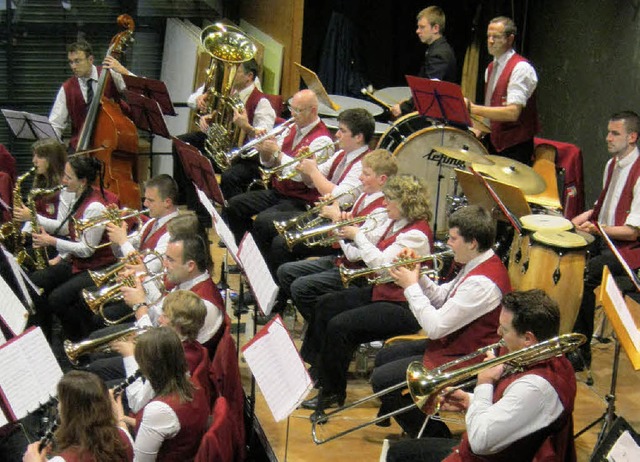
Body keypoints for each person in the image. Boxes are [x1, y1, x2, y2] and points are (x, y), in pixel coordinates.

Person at [369, 205, 511, 438]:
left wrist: (410, 286)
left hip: (469, 357)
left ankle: (435, 440)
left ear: (472, 243)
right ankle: (414, 419)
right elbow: (442, 298)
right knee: (387, 355)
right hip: (455, 344)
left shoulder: (482, 284)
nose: (449, 244)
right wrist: (418, 274)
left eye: (453, 238)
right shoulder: (476, 264)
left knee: (384, 381)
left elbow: (434, 328)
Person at [386, 290, 577, 462]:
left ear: (528, 339)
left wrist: (484, 383)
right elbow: (515, 411)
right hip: (494, 451)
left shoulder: (535, 387)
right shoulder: (552, 358)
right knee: (402, 451)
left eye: (505, 329)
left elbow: (479, 442)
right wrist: (470, 400)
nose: (498, 332)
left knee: (398, 455)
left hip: (487, 456)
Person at [299, 174, 433, 416]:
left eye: (389, 200)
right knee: (325, 305)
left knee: (340, 326)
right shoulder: (395, 221)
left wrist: (356, 235)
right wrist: (346, 229)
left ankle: (332, 392)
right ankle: (316, 369)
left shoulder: (417, 235)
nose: (384, 204)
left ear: (405, 202)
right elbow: (359, 254)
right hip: (382, 292)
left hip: (403, 306)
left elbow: (382, 266)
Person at [277, 149, 395, 320]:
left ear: (382, 179)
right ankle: (317, 320)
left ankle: (321, 326)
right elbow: (347, 230)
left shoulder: (382, 210)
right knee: (285, 271)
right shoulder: (364, 194)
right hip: (342, 260)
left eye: (366, 174)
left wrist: (335, 219)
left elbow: (355, 255)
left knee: (300, 287)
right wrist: (333, 210)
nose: (360, 177)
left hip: (356, 271)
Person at [262, 107, 375, 274]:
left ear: (358, 137)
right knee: (264, 224)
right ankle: (267, 281)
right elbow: (310, 182)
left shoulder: (363, 164)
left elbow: (340, 198)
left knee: (281, 243)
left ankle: (280, 293)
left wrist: (313, 171)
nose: (336, 135)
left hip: (338, 227)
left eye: (342, 131)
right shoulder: (341, 155)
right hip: (322, 214)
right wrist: (306, 166)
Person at [570, 110, 640, 370]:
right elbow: (600, 207)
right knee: (566, 259)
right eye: (608, 132)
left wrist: (599, 229)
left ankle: (581, 351)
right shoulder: (612, 165)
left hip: (627, 250)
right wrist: (571, 223)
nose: (607, 138)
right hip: (604, 238)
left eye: (615, 133)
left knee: (584, 276)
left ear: (632, 137)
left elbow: (633, 231)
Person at [173, 59, 276, 227]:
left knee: (229, 176)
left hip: (247, 158)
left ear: (249, 76)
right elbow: (216, 116)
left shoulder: (262, 102)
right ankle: (195, 207)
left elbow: (265, 138)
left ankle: (229, 223)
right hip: (225, 149)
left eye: (237, 71)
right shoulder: (230, 93)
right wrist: (208, 118)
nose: (231, 75)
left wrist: (246, 126)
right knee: (183, 144)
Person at [224, 88, 333, 245]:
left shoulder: (322, 140)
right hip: (279, 191)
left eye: (298, 110)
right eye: (291, 109)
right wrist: (265, 151)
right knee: (234, 206)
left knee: (262, 221)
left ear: (313, 110)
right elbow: (270, 163)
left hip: (301, 200)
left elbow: (301, 176)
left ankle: (261, 261)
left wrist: (277, 153)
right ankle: (244, 249)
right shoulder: (291, 128)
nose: (293, 114)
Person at [29, 155, 117, 341]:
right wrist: (60, 256)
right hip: (78, 261)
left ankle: (79, 339)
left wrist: (51, 242)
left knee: (57, 299)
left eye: (68, 177)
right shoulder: (76, 196)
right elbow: (71, 232)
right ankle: (43, 336)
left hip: (96, 266)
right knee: (36, 281)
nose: (63, 180)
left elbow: (87, 249)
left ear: (83, 181)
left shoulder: (95, 207)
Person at [112, 327, 209, 461]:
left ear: (149, 368)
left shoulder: (159, 410)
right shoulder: (194, 383)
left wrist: (119, 423)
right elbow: (169, 427)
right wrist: (124, 417)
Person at [113, 289, 211, 413]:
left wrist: (129, 356)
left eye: (165, 316)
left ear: (179, 324)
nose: (159, 319)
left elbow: (136, 403)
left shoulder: (171, 358)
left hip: (145, 411)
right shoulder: (192, 347)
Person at [467, 16, 539, 165]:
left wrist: (473, 108)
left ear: (510, 39)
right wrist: (478, 131)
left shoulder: (521, 68)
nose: (491, 41)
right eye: (489, 36)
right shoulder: (491, 68)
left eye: (497, 37)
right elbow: (490, 110)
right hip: (494, 144)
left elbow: (512, 113)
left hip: (515, 147)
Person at [22, 370, 133, 462]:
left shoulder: (64, 459)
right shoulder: (124, 437)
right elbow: (120, 424)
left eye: (60, 401)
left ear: (71, 413)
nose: (58, 407)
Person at [49, 40, 132, 150]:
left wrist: (124, 72)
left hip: (111, 145)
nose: (73, 66)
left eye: (77, 61)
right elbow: (55, 125)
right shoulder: (67, 88)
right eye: (71, 62)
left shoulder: (109, 74)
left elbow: (138, 90)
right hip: (80, 147)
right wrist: (54, 150)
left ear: (91, 59)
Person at [391, 6, 457, 118]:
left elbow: (429, 91)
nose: (417, 31)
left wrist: (405, 108)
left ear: (435, 28)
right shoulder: (436, 49)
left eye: (422, 27)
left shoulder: (439, 55)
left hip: (439, 118)